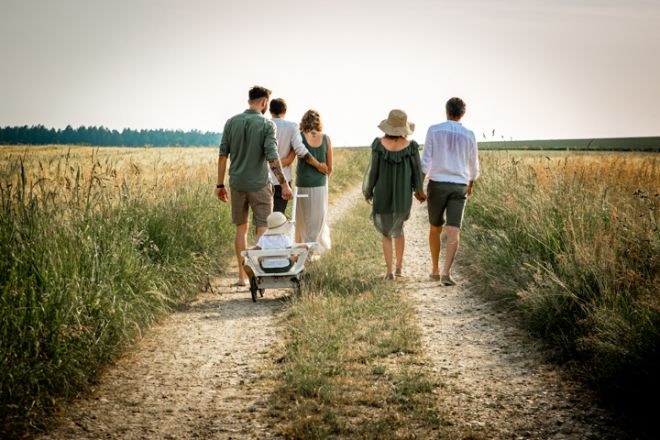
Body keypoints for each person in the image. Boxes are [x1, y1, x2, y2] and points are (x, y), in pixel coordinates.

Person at [216, 85, 292, 286]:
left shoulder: (231, 122)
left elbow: (223, 155)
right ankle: (258, 273)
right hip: (259, 184)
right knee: (262, 228)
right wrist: (284, 184)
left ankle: (242, 276)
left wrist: (219, 184)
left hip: (237, 183)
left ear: (250, 100)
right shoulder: (267, 125)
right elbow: (272, 157)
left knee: (241, 229)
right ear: (265, 102)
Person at [421, 97, 480, 286]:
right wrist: (470, 183)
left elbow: (425, 161)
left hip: (437, 184)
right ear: (463, 113)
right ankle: (447, 272)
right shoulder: (470, 134)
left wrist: (419, 187)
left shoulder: (434, 130)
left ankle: (435, 270)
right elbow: (474, 166)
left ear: (446, 111)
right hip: (459, 186)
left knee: (435, 228)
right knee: (454, 230)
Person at [363, 109, 426, 280]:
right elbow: (417, 171)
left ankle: (389, 271)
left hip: (383, 192)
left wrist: (368, 190)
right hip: (403, 194)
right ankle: (399, 268)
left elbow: (372, 172)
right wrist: (419, 191)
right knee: (398, 230)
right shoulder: (411, 147)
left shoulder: (378, 145)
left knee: (386, 233)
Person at [269, 98, 329, 213]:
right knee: (278, 217)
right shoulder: (291, 127)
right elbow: (299, 152)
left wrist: (268, 164)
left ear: (270, 110)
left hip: (262, 180)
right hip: (282, 182)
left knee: (261, 220)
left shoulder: (263, 125)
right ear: (285, 110)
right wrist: (318, 165)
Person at [295, 109, 332, 253]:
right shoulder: (326, 139)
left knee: (303, 220)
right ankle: (311, 251)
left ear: (304, 121)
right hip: (320, 185)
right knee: (317, 221)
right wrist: (320, 170)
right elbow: (329, 168)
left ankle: (302, 250)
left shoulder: (299, 137)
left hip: (302, 184)